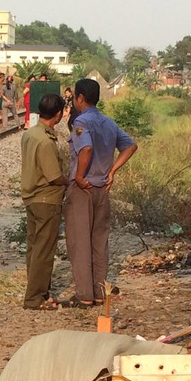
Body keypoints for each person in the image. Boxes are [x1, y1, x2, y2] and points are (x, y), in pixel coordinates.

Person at [63, 79, 138, 307]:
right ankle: (98, 291)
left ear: (80, 98)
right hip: (102, 188)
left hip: (83, 188)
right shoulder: (108, 123)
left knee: (80, 241)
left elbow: (85, 148)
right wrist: (113, 170)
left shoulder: (80, 122)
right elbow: (130, 146)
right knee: (99, 240)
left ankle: (84, 295)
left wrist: (78, 176)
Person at [21, 93, 68, 310]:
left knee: (34, 246)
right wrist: (71, 181)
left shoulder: (31, 133)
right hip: (46, 198)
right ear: (58, 115)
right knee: (44, 249)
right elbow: (54, 176)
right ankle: (34, 298)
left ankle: (40, 291)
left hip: (31, 196)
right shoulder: (47, 142)